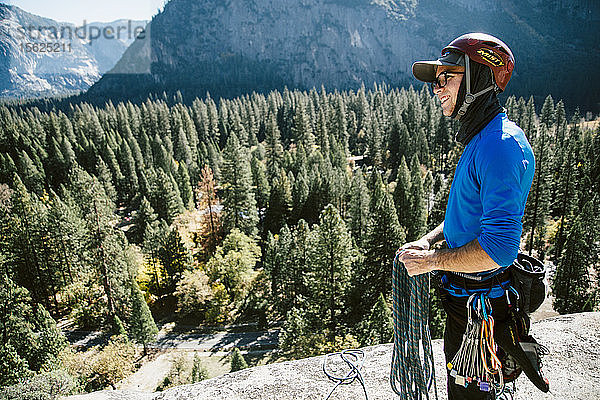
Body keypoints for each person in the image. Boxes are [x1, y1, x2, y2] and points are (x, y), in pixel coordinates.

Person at [397, 33, 548, 399]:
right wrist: (431, 241)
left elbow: (499, 249)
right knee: (461, 387)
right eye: (436, 80)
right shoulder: (483, 139)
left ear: (479, 76)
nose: (437, 88)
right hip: (465, 301)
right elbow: (469, 216)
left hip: (481, 308)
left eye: (447, 76)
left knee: (471, 395)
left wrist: (431, 262)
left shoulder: (500, 147)